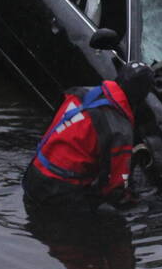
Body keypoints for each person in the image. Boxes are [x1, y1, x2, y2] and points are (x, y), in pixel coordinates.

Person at [22, 61, 154, 210]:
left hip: (33, 175)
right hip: (58, 192)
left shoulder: (79, 93)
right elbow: (115, 187)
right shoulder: (120, 130)